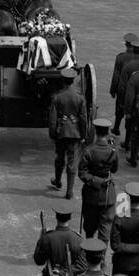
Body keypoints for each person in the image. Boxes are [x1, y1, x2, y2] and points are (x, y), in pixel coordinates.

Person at [48, 67, 87, 199]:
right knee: (72, 161)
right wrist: (83, 135)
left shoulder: (57, 97)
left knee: (59, 158)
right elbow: (83, 119)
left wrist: (53, 134)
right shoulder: (80, 98)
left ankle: (58, 181)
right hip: (75, 133)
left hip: (61, 132)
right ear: (73, 80)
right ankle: (69, 191)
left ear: (63, 81)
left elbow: (53, 119)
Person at [78, 118, 117, 242]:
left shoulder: (89, 150)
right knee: (105, 230)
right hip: (108, 196)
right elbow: (115, 169)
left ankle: (90, 256)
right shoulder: (112, 150)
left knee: (89, 229)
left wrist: (96, 181)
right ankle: (101, 259)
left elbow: (82, 173)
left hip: (92, 195)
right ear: (107, 132)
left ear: (95, 131)